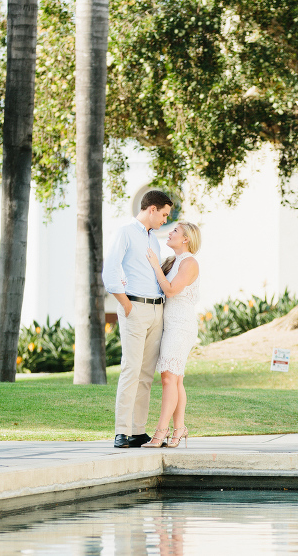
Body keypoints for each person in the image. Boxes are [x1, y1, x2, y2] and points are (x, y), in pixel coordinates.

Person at [102, 190, 173, 448]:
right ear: (151, 209)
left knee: (145, 374)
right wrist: (125, 304)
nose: (166, 220)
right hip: (135, 307)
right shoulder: (124, 232)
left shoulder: (153, 240)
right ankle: (121, 431)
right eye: (164, 214)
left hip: (157, 310)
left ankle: (137, 431)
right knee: (131, 370)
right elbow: (110, 268)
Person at [143, 220, 201, 448]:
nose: (170, 233)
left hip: (181, 326)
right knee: (175, 379)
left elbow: (171, 289)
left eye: (175, 231)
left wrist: (156, 265)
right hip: (171, 325)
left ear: (186, 238)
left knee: (168, 378)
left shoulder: (190, 262)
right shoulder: (175, 261)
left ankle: (160, 432)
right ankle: (179, 430)